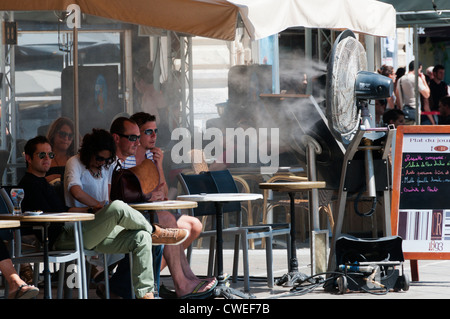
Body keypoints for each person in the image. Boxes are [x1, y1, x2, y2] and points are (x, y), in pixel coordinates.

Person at [19, 135, 186, 299]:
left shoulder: (44, 183)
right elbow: (46, 216)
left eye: (50, 155)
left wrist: (93, 209)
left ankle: (146, 295)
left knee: (141, 238)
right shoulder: (27, 185)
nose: (47, 159)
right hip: (60, 238)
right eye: (42, 155)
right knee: (117, 207)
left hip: (79, 231)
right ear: (27, 158)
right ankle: (155, 231)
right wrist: (99, 210)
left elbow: (65, 210)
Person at [112, 114, 216, 299]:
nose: (153, 136)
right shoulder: (126, 159)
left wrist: (158, 165)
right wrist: (149, 196)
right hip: (136, 213)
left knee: (194, 225)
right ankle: (181, 283)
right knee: (167, 220)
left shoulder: (152, 157)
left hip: (152, 210)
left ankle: (186, 277)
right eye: (148, 132)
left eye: (155, 132)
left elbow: (164, 192)